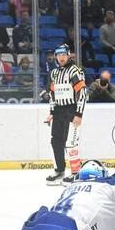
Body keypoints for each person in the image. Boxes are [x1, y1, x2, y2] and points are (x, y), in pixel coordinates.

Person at [41, 44, 88, 185]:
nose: (61, 57)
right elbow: (52, 95)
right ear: (56, 56)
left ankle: (75, 173)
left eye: (63, 54)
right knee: (56, 141)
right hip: (59, 111)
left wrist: (79, 114)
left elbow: (83, 93)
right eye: (58, 55)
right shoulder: (54, 73)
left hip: (72, 110)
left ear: (68, 55)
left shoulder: (75, 71)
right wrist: (52, 112)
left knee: (71, 143)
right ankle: (60, 170)